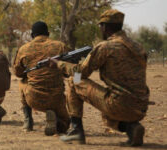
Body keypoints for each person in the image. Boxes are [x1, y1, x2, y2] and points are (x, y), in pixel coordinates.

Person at [49, 9, 149, 146]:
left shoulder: (105, 47)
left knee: (74, 79)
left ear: (105, 27)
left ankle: (76, 130)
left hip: (118, 104)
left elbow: (80, 72)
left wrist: (59, 64)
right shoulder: (138, 47)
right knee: (106, 117)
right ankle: (132, 128)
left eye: (101, 26)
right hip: (141, 106)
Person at [13, 21, 70, 136]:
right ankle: (57, 121)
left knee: (22, 82)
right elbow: (68, 73)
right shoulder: (60, 46)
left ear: (32, 35)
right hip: (57, 99)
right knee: (65, 124)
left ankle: (28, 121)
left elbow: (18, 73)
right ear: (48, 33)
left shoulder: (24, 49)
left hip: (34, 98)